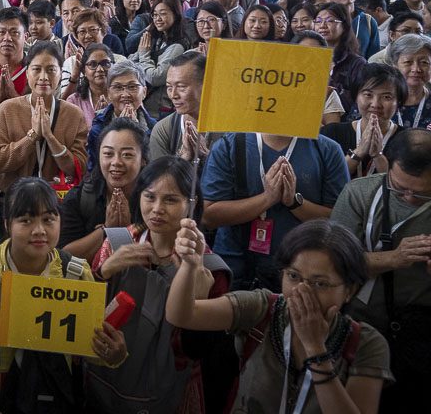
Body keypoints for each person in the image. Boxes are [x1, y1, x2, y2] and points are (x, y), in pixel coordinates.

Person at [166, 219, 392, 413]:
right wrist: (190, 266)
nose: (302, 291)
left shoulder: (365, 344)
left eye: (320, 284)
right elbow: (183, 315)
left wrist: (315, 349)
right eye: (293, 276)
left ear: (349, 290)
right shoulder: (263, 308)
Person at [0, 178, 128, 414]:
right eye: (26, 220)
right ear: (7, 224)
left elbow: (85, 348)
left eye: (48, 219)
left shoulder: (75, 274)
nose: (39, 230)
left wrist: (112, 355)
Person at [87, 158, 231, 413]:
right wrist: (103, 271)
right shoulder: (117, 243)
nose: (157, 209)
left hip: (169, 395)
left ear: (192, 204)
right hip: (102, 383)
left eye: (171, 200)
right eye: (150, 196)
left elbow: (197, 352)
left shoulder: (208, 269)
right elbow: (85, 312)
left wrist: (196, 300)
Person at [329, 128, 431, 409]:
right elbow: (333, 264)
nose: (408, 198)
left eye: (422, 195)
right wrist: (394, 258)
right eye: (399, 188)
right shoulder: (360, 193)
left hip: (424, 335)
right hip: (359, 324)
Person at [201, 127, 349, 291]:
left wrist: (294, 203)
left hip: (304, 273)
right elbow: (209, 215)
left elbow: (339, 221)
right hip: (237, 267)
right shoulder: (229, 145)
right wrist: (267, 199)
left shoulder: (326, 150)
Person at [0, 41, 89, 191]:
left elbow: (80, 168)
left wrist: (50, 137)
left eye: (51, 70)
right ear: (27, 73)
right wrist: (32, 136)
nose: (43, 77)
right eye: (36, 69)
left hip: (58, 198)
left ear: (61, 74)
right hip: (15, 197)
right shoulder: (8, 109)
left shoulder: (74, 114)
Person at [60, 118, 148, 262]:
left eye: (127, 155)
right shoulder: (79, 197)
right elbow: (63, 258)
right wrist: (107, 230)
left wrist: (128, 231)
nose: (116, 162)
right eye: (108, 154)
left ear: (143, 159)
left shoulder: (154, 200)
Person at [320, 64, 405, 177]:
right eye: (368, 95)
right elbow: (326, 179)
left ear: (398, 102)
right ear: (356, 97)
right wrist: (359, 151)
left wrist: (378, 156)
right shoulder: (331, 134)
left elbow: (403, 184)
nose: (375, 104)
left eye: (386, 97)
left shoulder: (408, 140)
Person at [313, 3, 367, 116]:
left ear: (344, 26)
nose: (322, 25)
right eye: (318, 21)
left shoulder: (357, 63)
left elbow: (359, 101)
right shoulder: (309, 59)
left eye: (330, 21)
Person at [387, 33, 431, 129]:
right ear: (395, 66)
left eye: (424, 62)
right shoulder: (380, 101)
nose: (416, 69)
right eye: (408, 62)